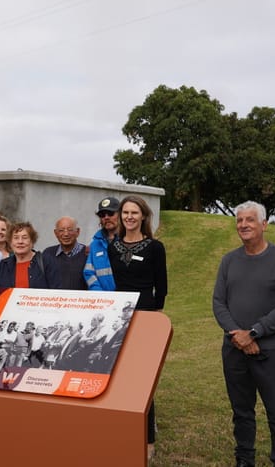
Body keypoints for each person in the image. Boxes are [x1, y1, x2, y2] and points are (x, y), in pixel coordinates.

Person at [213, 201, 275, 467]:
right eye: (239, 220)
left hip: (270, 351)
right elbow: (219, 303)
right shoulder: (229, 261)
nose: (243, 225)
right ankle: (244, 459)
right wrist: (238, 335)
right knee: (241, 411)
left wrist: (253, 333)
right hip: (234, 349)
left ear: (264, 224)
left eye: (250, 220)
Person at [111, 195, 167, 458]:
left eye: (134, 212)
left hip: (145, 315)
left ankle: (148, 441)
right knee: (119, 377)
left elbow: (161, 286)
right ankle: (122, 429)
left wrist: (154, 316)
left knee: (142, 381)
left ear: (143, 215)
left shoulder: (155, 248)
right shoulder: (113, 246)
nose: (129, 217)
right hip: (120, 316)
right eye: (125, 213)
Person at [0, 222, 60, 289]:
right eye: (16, 238)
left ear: (32, 241)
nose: (20, 242)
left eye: (25, 238)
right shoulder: (2, 266)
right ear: (10, 242)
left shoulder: (47, 262)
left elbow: (57, 291)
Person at [83, 196, 120, 291]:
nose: (106, 217)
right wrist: (98, 293)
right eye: (102, 215)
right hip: (102, 297)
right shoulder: (95, 244)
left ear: (120, 215)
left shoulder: (128, 241)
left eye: (110, 213)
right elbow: (88, 273)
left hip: (125, 297)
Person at [43, 216, 88, 290]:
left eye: (70, 230)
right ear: (55, 233)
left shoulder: (87, 253)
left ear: (77, 232)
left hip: (81, 297)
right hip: (55, 297)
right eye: (61, 230)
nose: (66, 234)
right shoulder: (47, 254)